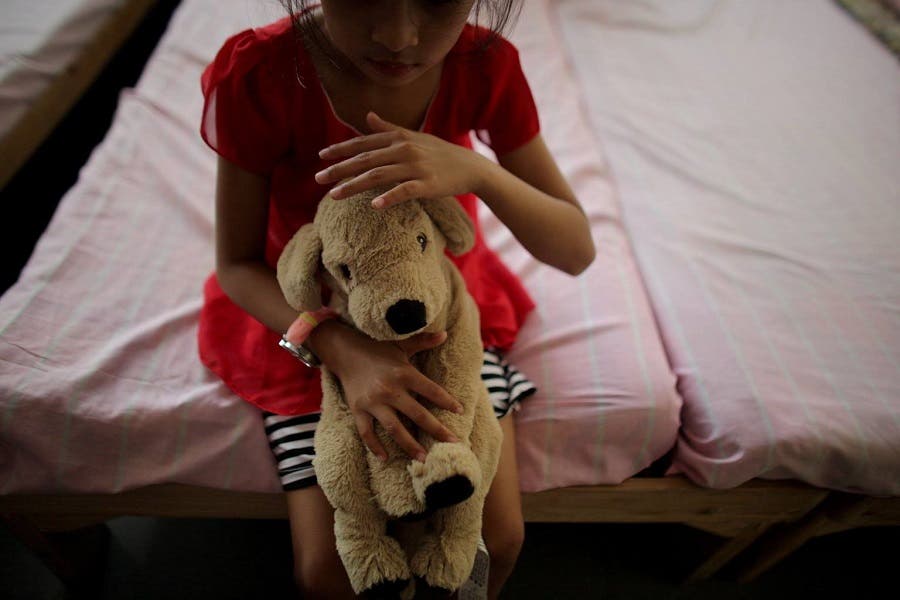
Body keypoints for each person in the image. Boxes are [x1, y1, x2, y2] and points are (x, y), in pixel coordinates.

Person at [198, 0, 595, 597]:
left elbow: (575, 250)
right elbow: (236, 265)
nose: (398, 37)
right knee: (331, 572)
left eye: (438, 2)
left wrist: (477, 172)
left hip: (438, 315)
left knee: (495, 541)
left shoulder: (484, 65)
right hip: (308, 316)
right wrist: (341, 350)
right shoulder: (260, 75)